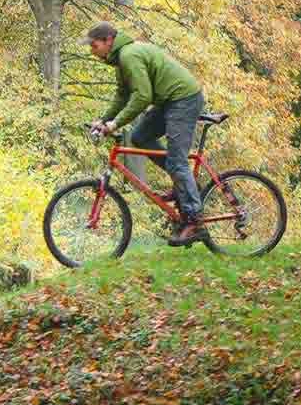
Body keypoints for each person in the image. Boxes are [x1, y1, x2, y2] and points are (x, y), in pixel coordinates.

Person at [81, 21, 207, 247]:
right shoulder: (121, 59)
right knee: (140, 137)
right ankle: (182, 185)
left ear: (108, 40)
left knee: (177, 161)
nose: (92, 51)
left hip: (183, 99)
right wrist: (104, 120)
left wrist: (115, 124)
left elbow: (142, 96)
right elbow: (122, 96)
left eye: (94, 45)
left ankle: (194, 220)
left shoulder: (128, 55)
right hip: (168, 101)